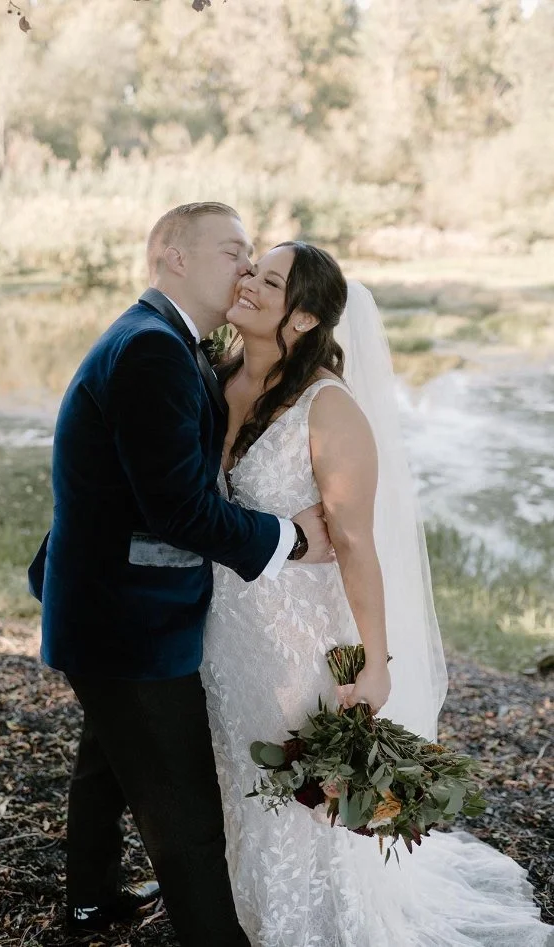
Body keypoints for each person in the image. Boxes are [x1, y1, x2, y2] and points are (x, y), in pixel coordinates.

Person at [201, 241, 553, 947]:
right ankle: (234, 902)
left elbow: (355, 543)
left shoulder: (328, 408)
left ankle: (312, 920)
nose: (247, 282)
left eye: (268, 280)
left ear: (301, 319)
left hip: (299, 631)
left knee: (299, 782)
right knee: (235, 767)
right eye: (251, 269)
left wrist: (376, 658)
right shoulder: (216, 372)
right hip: (225, 625)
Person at [27, 204, 334, 946]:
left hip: (108, 604)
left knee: (108, 755)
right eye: (232, 250)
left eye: (252, 254)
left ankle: (92, 899)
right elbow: (177, 511)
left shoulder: (167, 340)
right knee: (187, 814)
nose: (245, 266)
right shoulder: (152, 350)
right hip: (128, 617)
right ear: (171, 256)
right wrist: (291, 539)